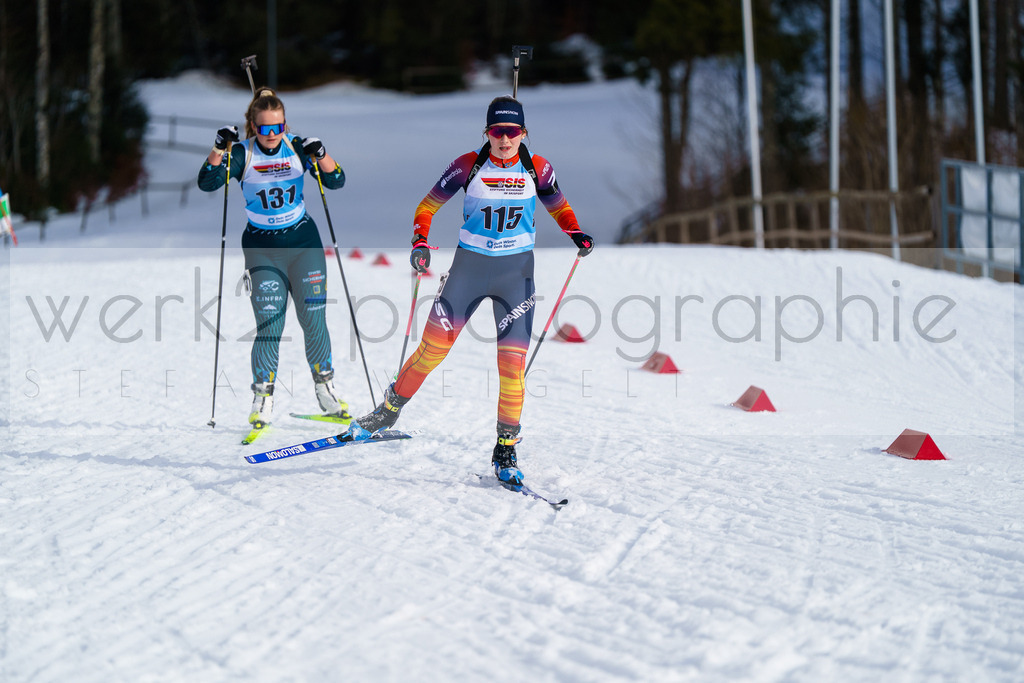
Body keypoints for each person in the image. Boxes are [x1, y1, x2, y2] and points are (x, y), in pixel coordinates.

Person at [351, 95, 594, 488]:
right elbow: (426, 206)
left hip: (516, 277)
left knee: (512, 367)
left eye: (512, 132)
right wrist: (419, 242)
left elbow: (558, 204)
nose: (504, 139)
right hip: (469, 270)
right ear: (486, 132)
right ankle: (389, 409)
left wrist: (575, 231)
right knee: (431, 351)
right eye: (497, 132)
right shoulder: (469, 165)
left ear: (523, 134)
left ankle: (506, 447)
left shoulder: (538, 168)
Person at [197, 87, 350, 431]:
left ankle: (326, 391)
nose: (272, 135)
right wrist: (219, 148)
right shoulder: (242, 153)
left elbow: (336, 180)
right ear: (253, 126)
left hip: (304, 244)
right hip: (262, 248)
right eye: (264, 129)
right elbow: (207, 183)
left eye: (277, 127)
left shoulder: (297, 146)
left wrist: (321, 153)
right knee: (270, 325)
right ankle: (262, 399)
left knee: (313, 320)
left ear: (285, 124)